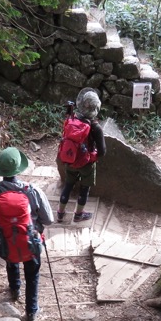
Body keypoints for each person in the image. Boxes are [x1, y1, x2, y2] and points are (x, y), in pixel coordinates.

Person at [0, 147, 54, 321]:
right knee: (32, 274)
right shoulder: (32, 190)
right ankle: (31, 312)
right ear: (19, 169)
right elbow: (49, 219)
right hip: (31, 244)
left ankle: (15, 289)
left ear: (0, 170)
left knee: (12, 258)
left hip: (6, 245)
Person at [57, 88, 106, 223]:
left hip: (70, 160)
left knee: (68, 185)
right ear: (96, 108)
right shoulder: (96, 127)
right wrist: (92, 157)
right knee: (84, 188)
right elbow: (102, 151)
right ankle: (78, 214)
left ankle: (60, 213)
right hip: (86, 163)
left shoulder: (72, 119)